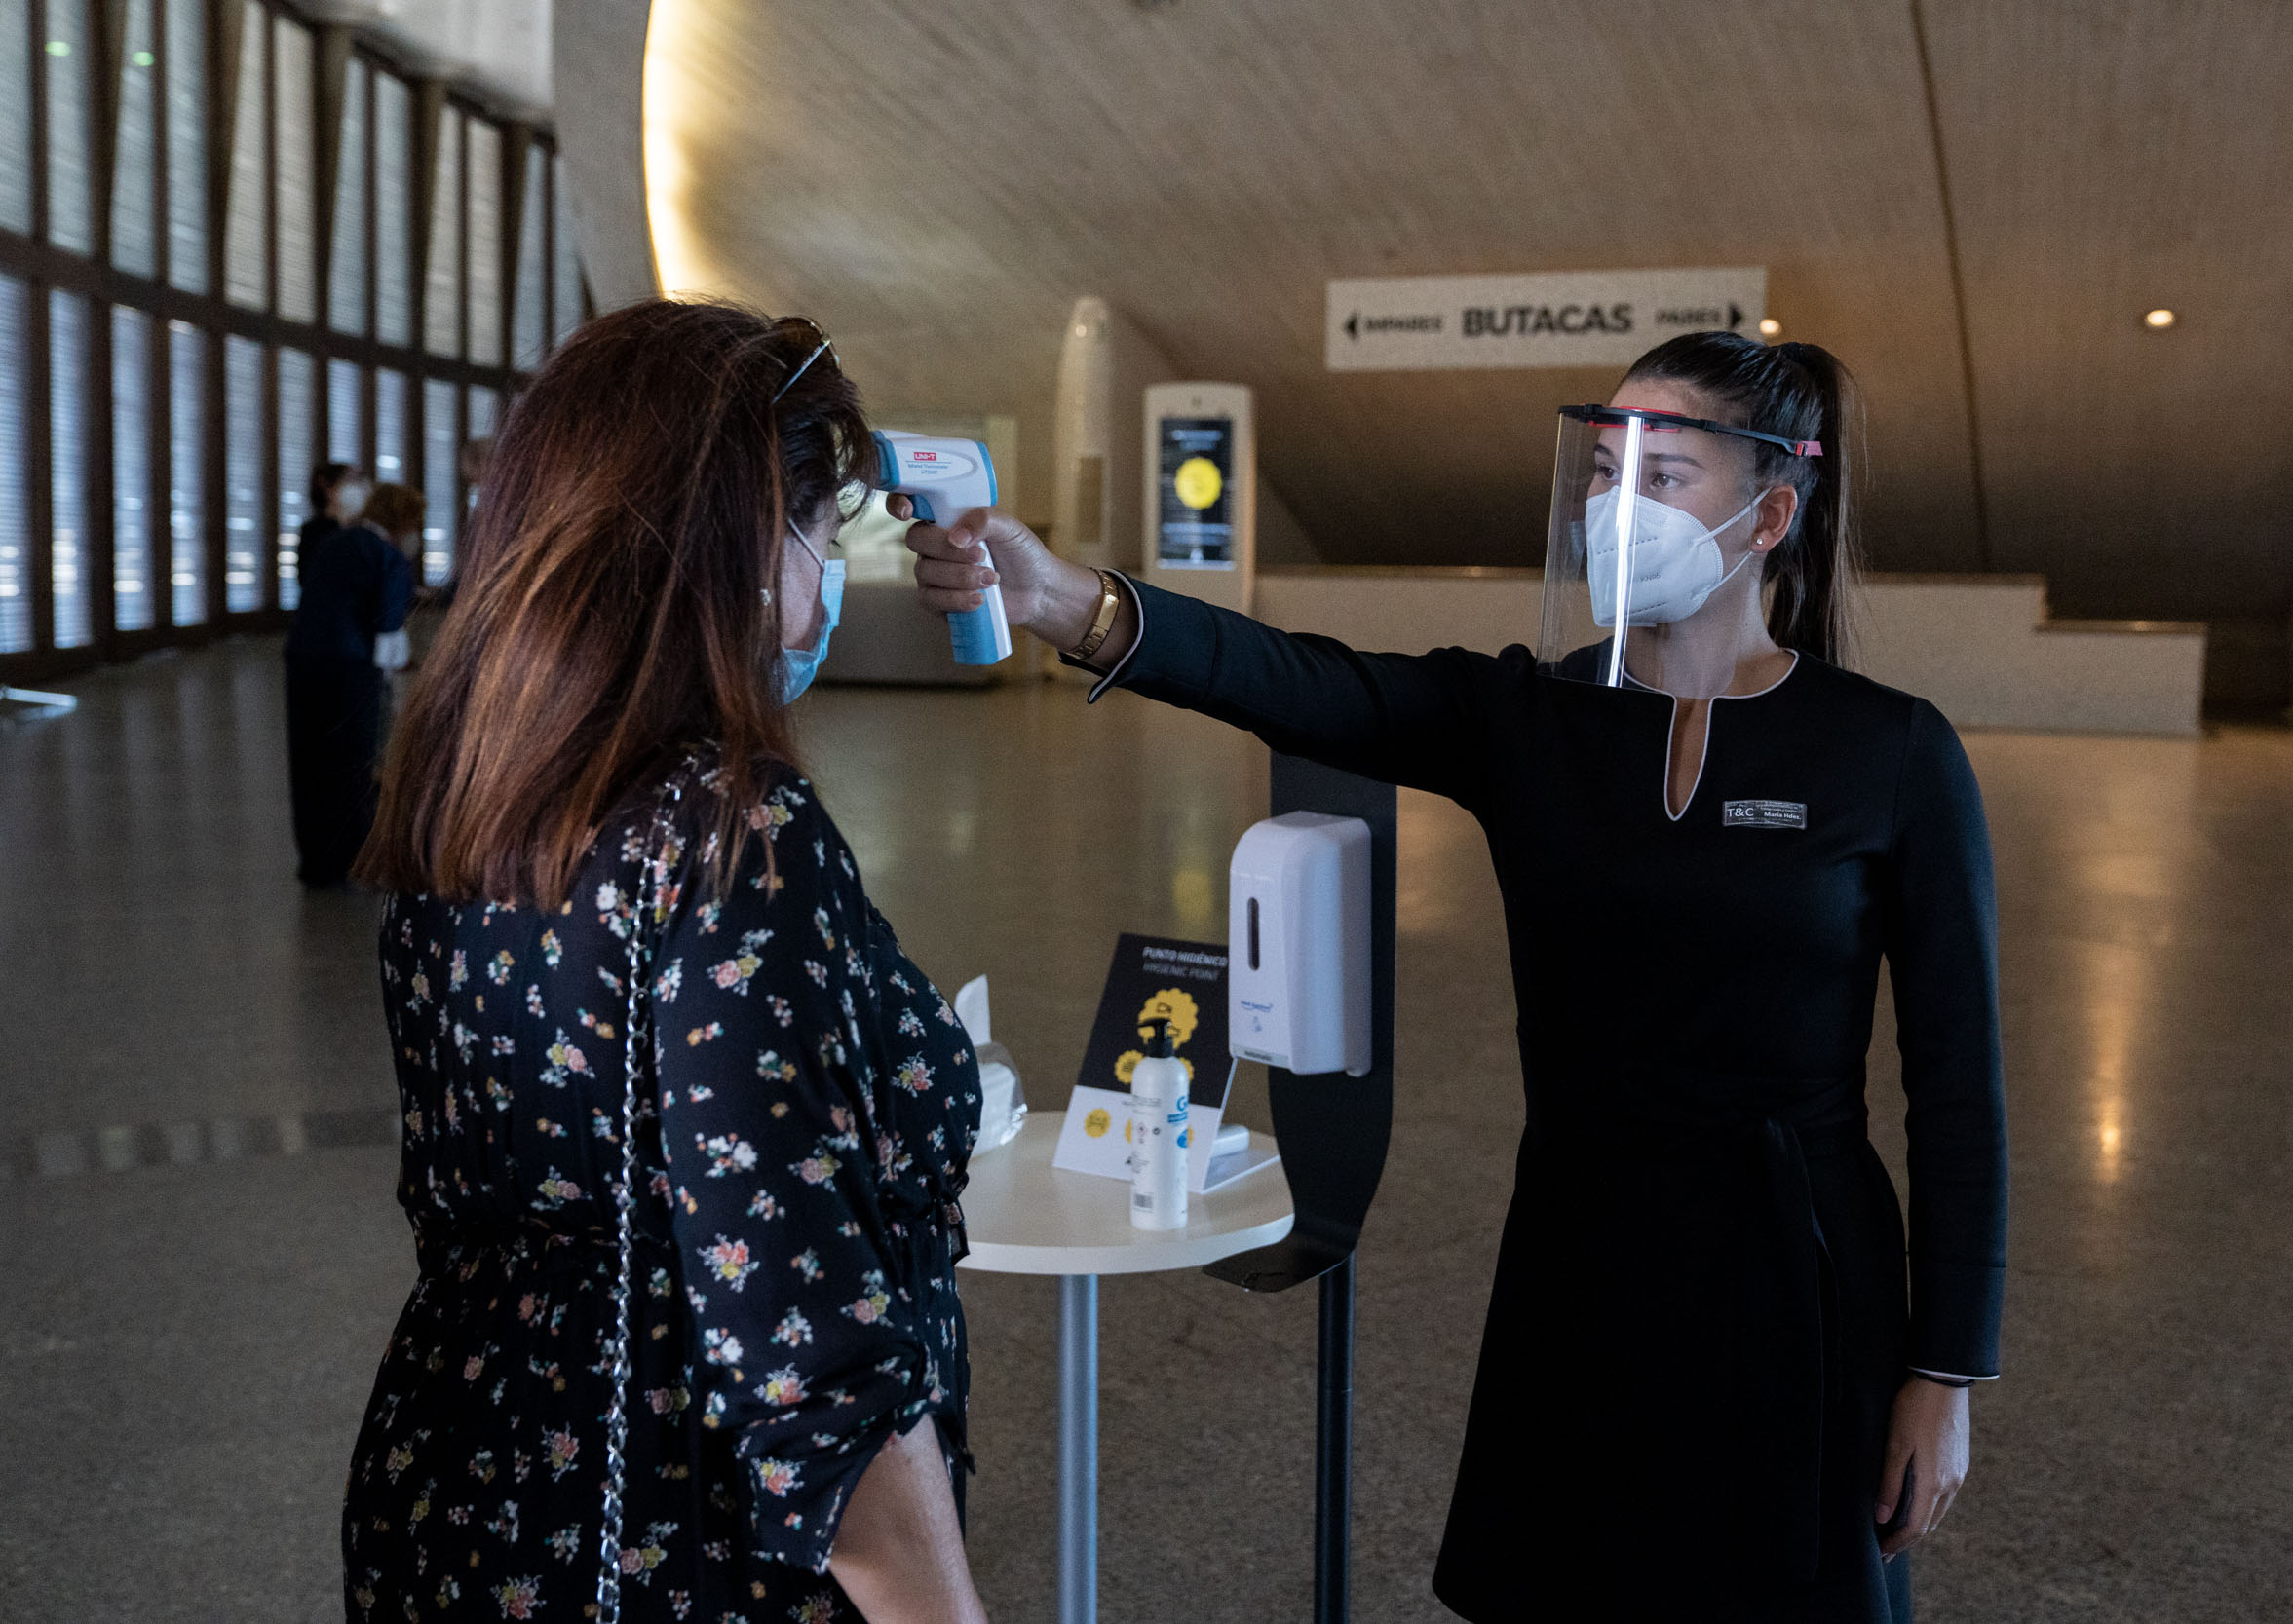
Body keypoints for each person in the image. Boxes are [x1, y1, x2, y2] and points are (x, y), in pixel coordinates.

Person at [904, 331, 2006, 1624]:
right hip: (1583, 1253)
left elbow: (1960, 1085)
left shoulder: (1891, 752)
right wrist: (1068, 600)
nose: (1615, 508)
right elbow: (1305, 682)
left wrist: (1946, 1367)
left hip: (1802, 1271)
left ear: (1770, 513)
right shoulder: (1535, 720)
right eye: (1604, 469)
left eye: (1664, 475)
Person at [347, 301, 989, 1624]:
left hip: (463, 1491)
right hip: (674, 1531)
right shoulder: (731, 831)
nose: (825, 582)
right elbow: (806, 1348)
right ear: (750, 541)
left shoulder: (469, 792)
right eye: (821, 531)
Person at [286, 479, 416, 887]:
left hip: (303, 660)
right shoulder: (389, 557)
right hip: (352, 668)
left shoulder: (334, 542)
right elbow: (388, 636)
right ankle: (356, 863)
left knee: (310, 762)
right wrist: (392, 686)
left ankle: (316, 864)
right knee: (354, 766)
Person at [299, 461, 369, 580]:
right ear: (326, 486)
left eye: (360, 480)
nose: (360, 487)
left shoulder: (366, 530)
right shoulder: (314, 531)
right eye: (351, 480)